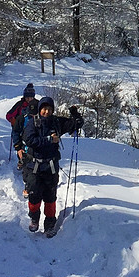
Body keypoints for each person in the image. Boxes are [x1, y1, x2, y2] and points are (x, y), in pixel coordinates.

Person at [22, 96, 84, 237]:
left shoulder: (56, 122)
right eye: (44, 109)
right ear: (40, 109)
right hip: (34, 166)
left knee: (50, 198)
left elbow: (76, 125)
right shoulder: (33, 123)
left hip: (51, 166)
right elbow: (29, 140)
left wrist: (75, 115)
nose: (47, 112)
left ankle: (50, 225)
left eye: (49, 109)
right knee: (34, 196)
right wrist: (48, 140)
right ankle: (34, 218)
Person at [6, 83, 37, 197]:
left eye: (31, 97)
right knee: (20, 145)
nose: (29, 99)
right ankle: (21, 160)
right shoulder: (19, 105)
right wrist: (14, 121)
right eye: (27, 97)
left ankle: (23, 162)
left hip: (33, 131)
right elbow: (8, 115)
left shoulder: (37, 104)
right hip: (20, 128)